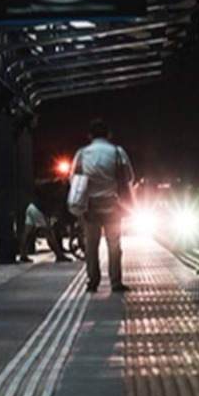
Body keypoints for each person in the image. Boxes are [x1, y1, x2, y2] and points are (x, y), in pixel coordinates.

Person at [71, 118, 134, 292]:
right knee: (114, 245)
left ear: (89, 135)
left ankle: (93, 281)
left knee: (91, 246)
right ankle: (115, 282)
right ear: (109, 134)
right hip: (113, 205)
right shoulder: (117, 152)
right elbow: (129, 177)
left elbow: (74, 179)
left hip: (90, 205)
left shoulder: (82, 154)